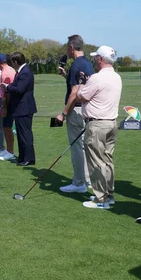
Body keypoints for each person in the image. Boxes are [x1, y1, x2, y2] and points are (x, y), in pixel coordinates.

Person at [77, 46, 122, 209]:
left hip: (97, 124)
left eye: (96, 57)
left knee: (96, 162)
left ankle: (101, 199)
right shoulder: (117, 77)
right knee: (107, 160)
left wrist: (82, 84)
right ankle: (108, 194)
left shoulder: (96, 78)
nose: (94, 60)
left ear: (100, 59)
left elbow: (82, 96)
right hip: (111, 123)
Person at [56, 34, 94, 193]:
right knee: (85, 146)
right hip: (87, 109)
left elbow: (74, 93)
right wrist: (66, 75)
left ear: (71, 47)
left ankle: (79, 183)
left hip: (76, 109)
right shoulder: (88, 64)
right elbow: (83, 85)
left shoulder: (75, 65)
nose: (67, 50)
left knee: (77, 147)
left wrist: (63, 114)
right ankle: (87, 180)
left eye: (67, 47)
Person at [0, 52, 37, 166]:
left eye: (12, 62)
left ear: (16, 62)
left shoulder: (25, 73)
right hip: (20, 108)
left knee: (25, 134)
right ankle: (22, 157)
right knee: (20, 134)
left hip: (25, 108)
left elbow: (20, 89)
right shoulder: (20, 72)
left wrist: (7, 87)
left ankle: (29, 158)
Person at [0, 52, 17, 161]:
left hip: (9, 103)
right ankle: (8, 150)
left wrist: (4, 107)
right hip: (11, 102)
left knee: (7, 127)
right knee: (6, 127)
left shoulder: (4, 74)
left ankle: (11, 151)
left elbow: (6, 92)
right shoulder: (11, 69)